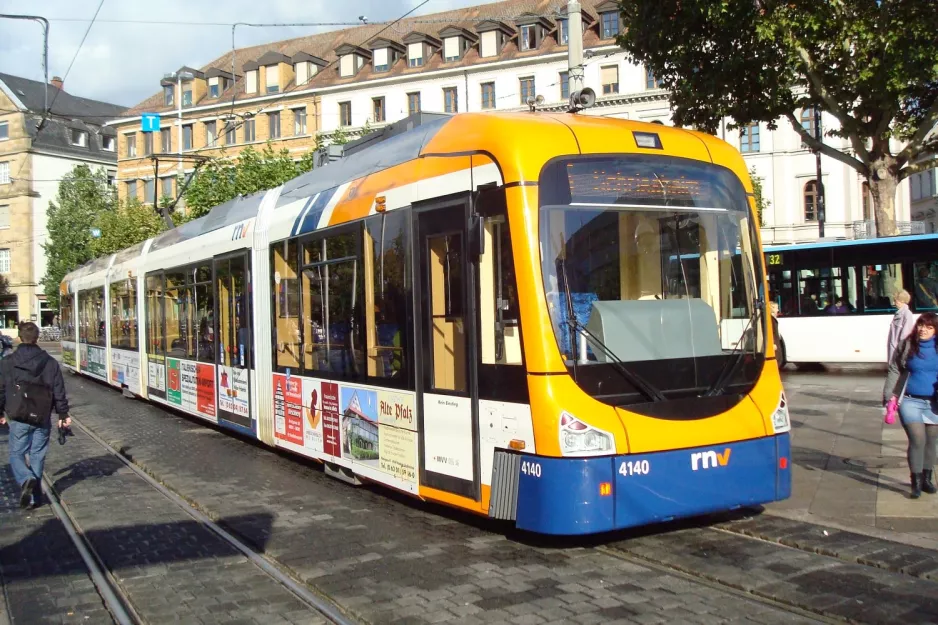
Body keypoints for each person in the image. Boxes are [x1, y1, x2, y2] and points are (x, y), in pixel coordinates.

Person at [0, 322, 71, 509]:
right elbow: (59, 390)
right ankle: (35, 497)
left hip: (18, 414)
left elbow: (1, 389)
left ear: (19, 337)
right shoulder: (50, 362)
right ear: (37, 337)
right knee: (37, 455)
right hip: (42, 415)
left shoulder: (7, 362)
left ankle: (26, 479)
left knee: (16, 452)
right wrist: (63, 413)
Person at [883, 312, 938, 499]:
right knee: (917, 439)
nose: (923, 329)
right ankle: (915, 482)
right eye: (921, 325)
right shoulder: (908, 344)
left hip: (934, 403)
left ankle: (927, 479)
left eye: (929, 327)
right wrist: (889, 395)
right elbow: (895, 368)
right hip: (910, 400)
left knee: (931, 441)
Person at [887, 290, 916, 364]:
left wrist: (901, 353)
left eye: (895, 300)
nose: (894, 303)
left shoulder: (907, 314)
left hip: (898, 353)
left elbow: (905, 335)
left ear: (902, 300)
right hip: (894, 351)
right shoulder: (898, 314)